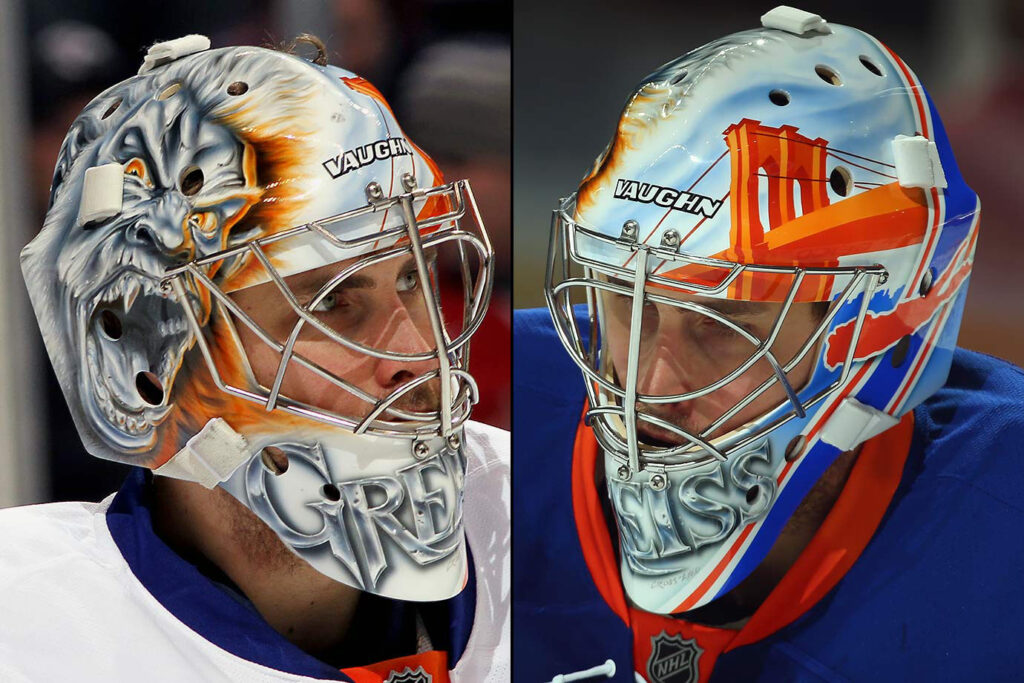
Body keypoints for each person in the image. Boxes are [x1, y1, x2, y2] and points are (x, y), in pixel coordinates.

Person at [514, 6, 1024, 682]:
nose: (650, 388)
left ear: (882, 324)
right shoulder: (492, 407)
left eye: (724, 325)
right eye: (626, 302)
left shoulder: (1000, 514)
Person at [2, 34, 508, 682]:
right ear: (147, 360)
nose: (420, 354)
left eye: (412, 278)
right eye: (331, 301)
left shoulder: (533, 511)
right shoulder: (29, 634)